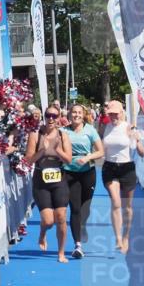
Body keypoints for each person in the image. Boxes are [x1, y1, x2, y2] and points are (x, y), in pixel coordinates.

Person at [25, 105, 72, 263]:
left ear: (59, 118)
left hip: (59, 179)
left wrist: (57, 150)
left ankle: (61, 253)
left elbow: (69, 160)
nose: (51, 119)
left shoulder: (63, 135)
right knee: (48, 220)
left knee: (61, 217)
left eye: (54, 116)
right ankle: (43, 233)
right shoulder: (35, 135)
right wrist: (42, 151)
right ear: (44, 117)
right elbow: (28, 160)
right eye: (48, 116)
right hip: (40, 179)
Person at [100, 100, 144, 253]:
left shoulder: (129, 127)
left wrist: (136, 139)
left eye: (115, 113)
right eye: (110, 114)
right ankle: (118, 238)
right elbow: (100, 146)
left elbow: (142, 153)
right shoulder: (105, 127)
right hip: (110, 168)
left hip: (127, 168)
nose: (113, 116)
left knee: (127, 207)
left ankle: (126, 237)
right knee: (115, 201)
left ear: (121, 113)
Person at [61, 104, 104, 259]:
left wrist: (87, 157)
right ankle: (77, 245)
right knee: (75, 209)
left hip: (87, 173)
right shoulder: (63, 131)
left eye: (79, 112)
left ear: (83, 115)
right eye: (74, 112)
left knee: (85, 208)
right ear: (69, 114)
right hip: (69, 173)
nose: (76, 115)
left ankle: (83, 225)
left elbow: (101, 151)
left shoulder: (90, 130)